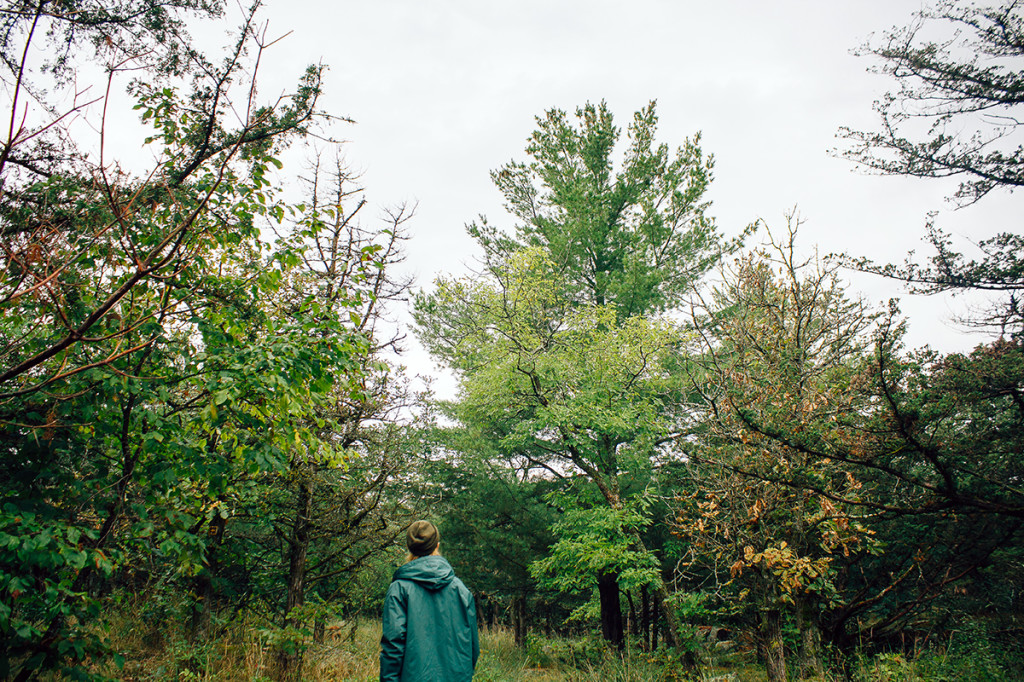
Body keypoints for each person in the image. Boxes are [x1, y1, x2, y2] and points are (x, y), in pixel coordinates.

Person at [379, 520, 479, 682]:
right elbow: (473, 648)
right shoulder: (461, 590)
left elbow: (393, 648)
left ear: (409, 548)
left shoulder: (399, 589)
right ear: (437, 546)